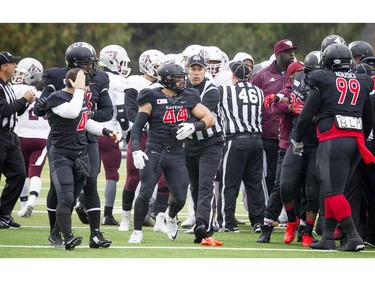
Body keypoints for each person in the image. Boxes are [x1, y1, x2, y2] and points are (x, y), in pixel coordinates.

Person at [293, 43, 374, 252]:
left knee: (332, 189)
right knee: (334, 190)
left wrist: (297, 138)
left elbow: (306, 114)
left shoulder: (322, 78)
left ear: (326, 63)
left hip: (333, 139)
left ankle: (353, 236)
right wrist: (360, 138)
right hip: (355, 140)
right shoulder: (362, 80)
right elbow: (369, 116)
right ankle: (328, 236)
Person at [34, 41, 113, 248]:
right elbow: (41, 109)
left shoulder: (101, 79)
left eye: (92, 63)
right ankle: (57, 233)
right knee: (59, 190)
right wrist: (46, 105)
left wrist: (85, 115)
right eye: (86, 64)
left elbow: (107, 112)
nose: (91, 68)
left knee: (90, 184)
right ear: (73, 65)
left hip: (86, 138)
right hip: (62, 140)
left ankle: (95, 234)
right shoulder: (55, 78)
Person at [127, 61, 215, 244]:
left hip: (176, 151)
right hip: (155, 149)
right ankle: (137, 231)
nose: (183, 82)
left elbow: (210, 118)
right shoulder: (151, 96)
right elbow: (136, 128)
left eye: (183, 78)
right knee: (145, 191)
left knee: (181, 197)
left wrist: (194, 125)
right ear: (166, 80)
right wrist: (136, 150)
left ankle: (171, 216)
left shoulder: (190, 96)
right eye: (178, 79)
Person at [119, 49, 169, 233]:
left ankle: (160, 219)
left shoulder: (166, 84)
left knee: (164, 178)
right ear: (146, 65)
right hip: (140, 134)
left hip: (160, 136)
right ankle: (125, 217)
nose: (161, 70)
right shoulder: (134, 82)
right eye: (157, 66)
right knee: (133, 175)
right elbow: (131, 111)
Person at [217, 61, 265, 233]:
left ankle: (228, 222)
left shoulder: (225, 90)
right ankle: (258, 221)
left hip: (236, 140)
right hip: (256, 141)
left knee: (229, 184)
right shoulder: (259, 92)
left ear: (233, 76)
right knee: (254, 184)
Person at [184, 54, 224, 243]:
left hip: (211, 142)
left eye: (200, 69)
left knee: (206, 184)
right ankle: (201, 221)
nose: (196, 73)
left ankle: (204, 226)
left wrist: (180, 118)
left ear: (205, 70)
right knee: (195, 185)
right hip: (190, 143)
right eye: (193, 69)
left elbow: (200, 117)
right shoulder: (182, 87)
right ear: (188, 69)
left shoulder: (211, 90)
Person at [251, 39, 298, 196]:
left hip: (292, 135)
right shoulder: (262, 76)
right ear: (277, 54)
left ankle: (290, 212)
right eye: (287, 51)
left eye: (292, 51)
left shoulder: (298, 74)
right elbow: (251, 101)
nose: (292, 54)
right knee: (271, 175)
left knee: (292, 176)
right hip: (269, 135)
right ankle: (272, 212)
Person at [0, 51, 36, 229]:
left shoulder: (7, 85)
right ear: (3, 67)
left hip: (11, 135)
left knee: (20, 174)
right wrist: (23, 99)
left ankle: (4, 213)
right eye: (13, 64)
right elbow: (4, 110)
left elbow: (15, 111)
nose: (16, 67)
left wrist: (27, 103)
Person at [12, 57, 49, 218]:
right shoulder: (46, 92)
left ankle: (23, 203)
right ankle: (32, 199)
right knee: (35, 173)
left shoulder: (16, 90)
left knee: (21, 172)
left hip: (21, 135)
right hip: (42, 137)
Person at [98, 44, 130, 225]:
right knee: (111, 174)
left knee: (86, 173)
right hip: (109, 131)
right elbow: (121, 108)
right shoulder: (118, 82)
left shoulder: (93, 77)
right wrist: (125, 131)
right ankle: (107, 214)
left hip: (89, 129)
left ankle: (81, 203)